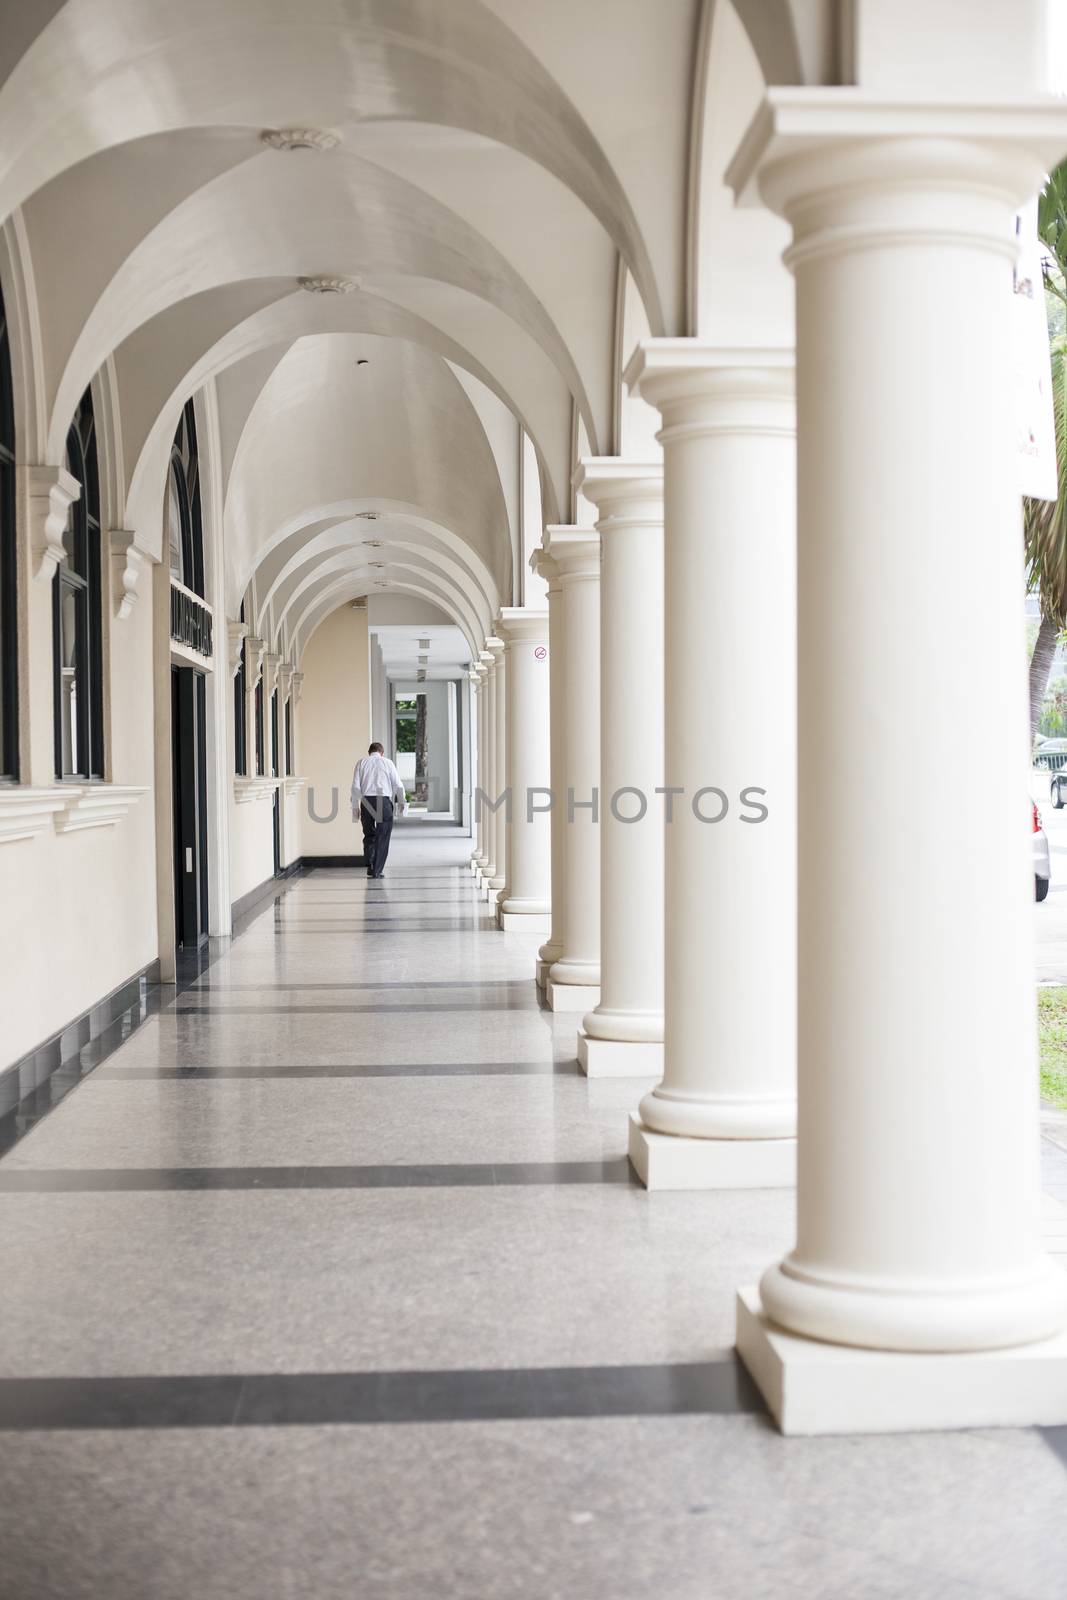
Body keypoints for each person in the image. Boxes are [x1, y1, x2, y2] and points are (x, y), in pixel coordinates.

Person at [351, 742, 406, 878]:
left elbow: (355, 786)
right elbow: (397, 784)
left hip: (366, 801)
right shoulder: (388, 763)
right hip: (383, 801)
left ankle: (370, 865)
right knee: (383, 836)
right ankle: (377, 870)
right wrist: (402, 802)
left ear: (369, 752)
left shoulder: (361, 763)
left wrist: (354, 806)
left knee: (369, 834)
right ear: (382, 752)